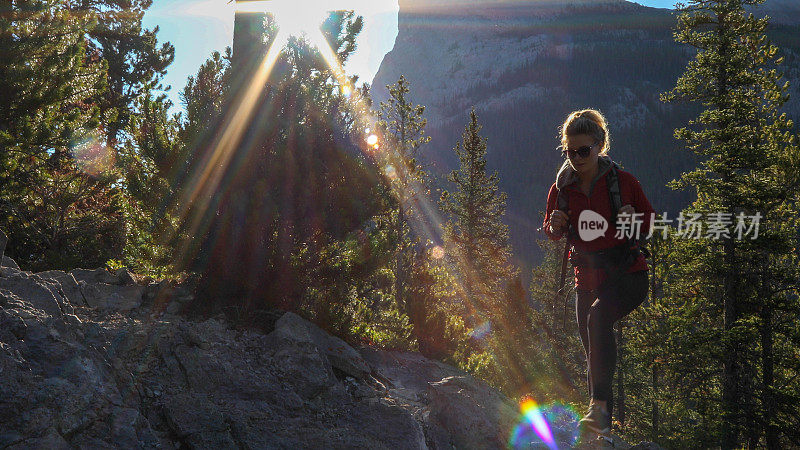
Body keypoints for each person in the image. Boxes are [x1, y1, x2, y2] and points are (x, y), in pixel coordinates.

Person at [541, 109, 655, 436]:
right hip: (586, 279)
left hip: (627, 274)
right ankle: (602, 423)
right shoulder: (562, 188)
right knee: (592, 346)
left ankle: (599, 411)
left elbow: (649, 224)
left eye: (583, 150)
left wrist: (633, 218)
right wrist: (554, 225)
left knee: (597, 320)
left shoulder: (623, 183)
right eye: (570, 151)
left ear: (600, 145)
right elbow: (552, 229)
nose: (576, 157)